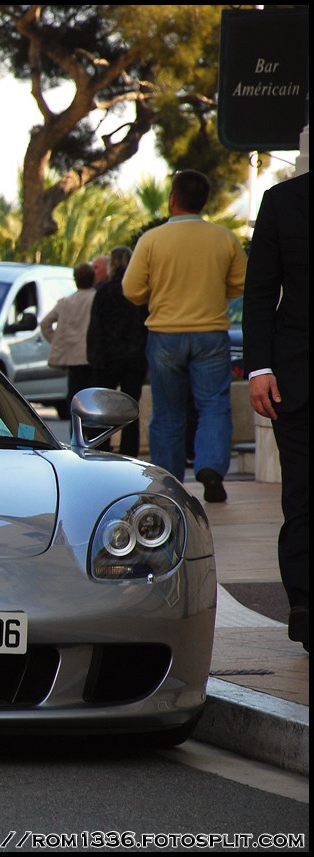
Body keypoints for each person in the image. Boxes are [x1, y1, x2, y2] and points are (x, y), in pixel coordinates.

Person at [122, 169, 247, 503]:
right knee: (213, 406)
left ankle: (168, 482)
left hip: (165, 334)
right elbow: (241, 282)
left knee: (167, 412)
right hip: (211, 333)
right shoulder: (223, 238)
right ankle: (211, 469)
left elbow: (132, 290)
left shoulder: (152, 240)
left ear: (172, 199)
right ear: (202, 202)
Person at [243, 171, 308, 652]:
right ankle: (304, 609)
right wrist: (258, 367)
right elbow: (260, 291)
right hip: (295, 382)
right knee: (303, 498)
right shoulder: (282, 200)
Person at [87, 245, 146, 456]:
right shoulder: (138, 290)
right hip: (134, 357)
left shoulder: (104, 291)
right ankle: (130, 452)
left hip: (107, 358)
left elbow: (95, 328)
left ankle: (101, 449)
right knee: (131, 409)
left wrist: (95, 358)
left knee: (103, 410)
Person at [40, 262, 97, 408]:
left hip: (72, 357)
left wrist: (57, 341)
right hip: (92, 356)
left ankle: (75, 429)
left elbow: (45, 323)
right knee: (92, 399)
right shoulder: (96, 299)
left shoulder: (66, 302)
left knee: (75, 398)